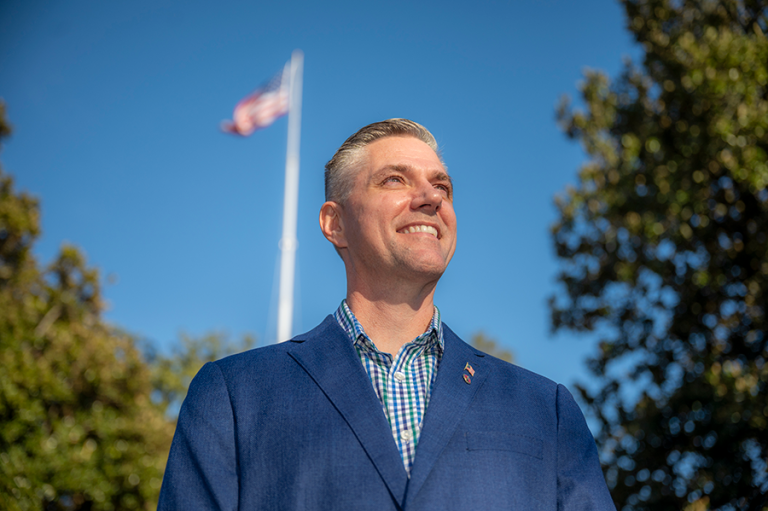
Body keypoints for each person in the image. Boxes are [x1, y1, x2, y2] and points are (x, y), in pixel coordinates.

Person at [158, 119, 616, 510]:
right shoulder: (234, 396)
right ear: (334, 223)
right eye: (395, 179)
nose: (430, 198)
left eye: (442, 186)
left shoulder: (545, 409)